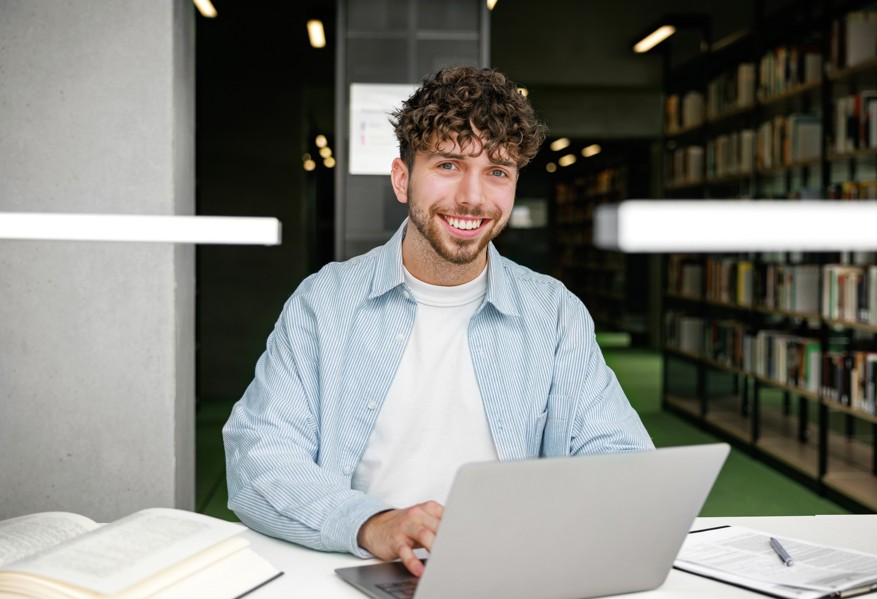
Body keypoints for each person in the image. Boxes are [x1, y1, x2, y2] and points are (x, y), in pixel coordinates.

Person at [223, 65, 654, 577]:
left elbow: (622, 457)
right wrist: (371, 523)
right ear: (402, 179)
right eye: (449, 165)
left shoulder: (554, 313)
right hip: (363, 568)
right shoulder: (325, 303)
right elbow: (259, 455)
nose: (473, 197)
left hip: (510, 573)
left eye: (497, 171)